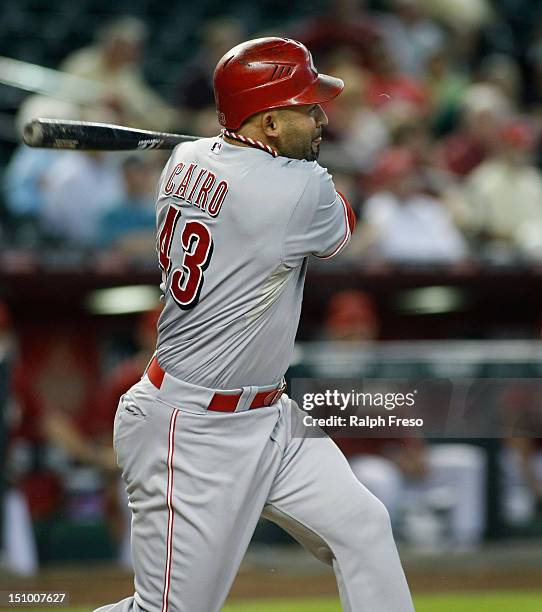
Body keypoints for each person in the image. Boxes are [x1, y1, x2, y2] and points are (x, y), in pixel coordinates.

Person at [96, 38, 413, 612]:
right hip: (190, 430)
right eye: (305, 107)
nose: (321, 117)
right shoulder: (299, 190)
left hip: (270, 417)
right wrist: (285, 169)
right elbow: (342, 224)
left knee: (363, 528)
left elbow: (231, 165)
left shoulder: (184, 159)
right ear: (267, 123)